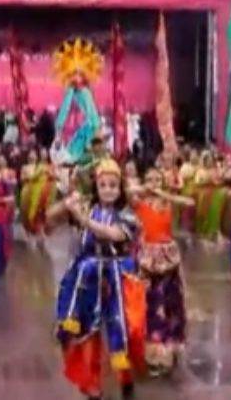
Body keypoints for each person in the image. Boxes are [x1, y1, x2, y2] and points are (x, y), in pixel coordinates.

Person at [49, 159, 144, 400]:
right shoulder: (88, 208)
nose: (109, 189)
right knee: (87, 332)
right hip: (87, 277)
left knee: (123, 330)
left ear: (120, 187)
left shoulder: (127, 215)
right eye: (103, 185)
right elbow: (49, 220)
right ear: (97, 187)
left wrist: (83, 219)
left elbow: (112, 234)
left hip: (118, 276)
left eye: (114, 185)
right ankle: (91, 385)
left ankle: (126, 379)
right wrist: (66, 204)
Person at [131, 166, 192, 376]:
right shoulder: (139, 202)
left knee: (170, 303)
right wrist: (145, 188)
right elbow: (127, 191)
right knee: (151, 303)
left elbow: (189, 202)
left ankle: (169, 347)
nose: (154, 183)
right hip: (147, 258)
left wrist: (163, 193)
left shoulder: (168, 201)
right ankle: (152, 352)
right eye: (150, 179)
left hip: (169, 258)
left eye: (158, 179)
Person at [19, 148, 55, 239]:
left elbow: (46, 178)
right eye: (31, 154)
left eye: (34, 154)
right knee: (25, 211)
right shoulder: (24, 167)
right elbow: (22, 179)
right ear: (27, 156)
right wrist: (30, 177)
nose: (32, 156)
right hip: (26, 190)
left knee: (38, 212)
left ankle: (38, 231)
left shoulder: (39, 166)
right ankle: (27, 231)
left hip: (37, 191)